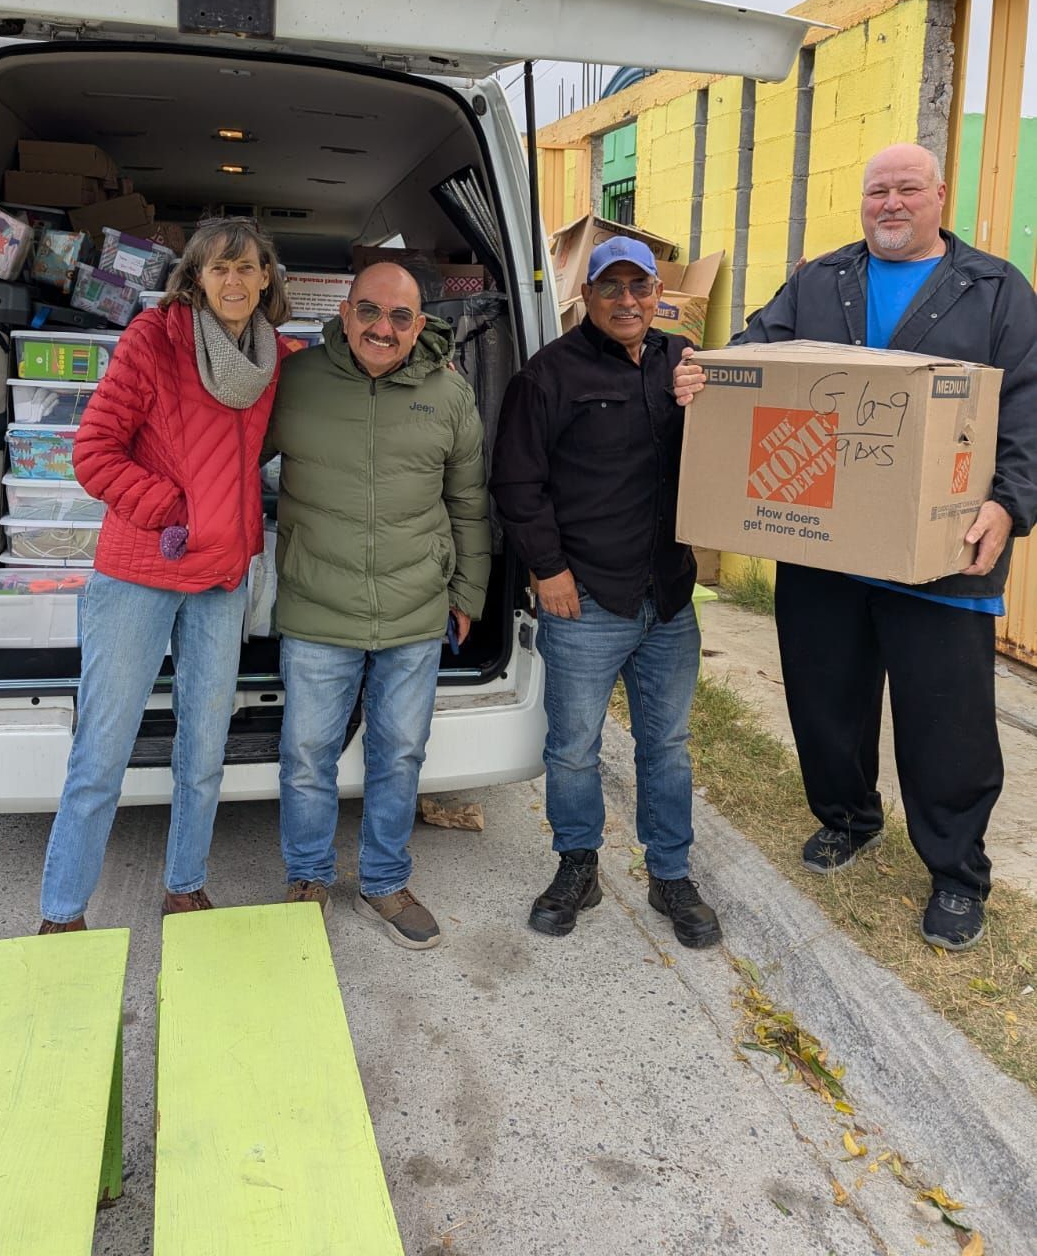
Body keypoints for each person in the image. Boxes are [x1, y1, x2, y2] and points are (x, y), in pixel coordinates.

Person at [673, 143, 1037, 950]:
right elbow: (754, 350)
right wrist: (704, 372)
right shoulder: (819, 280)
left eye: (908, 188)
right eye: (878, 190)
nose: (891, 203)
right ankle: (847, 817)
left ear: (941, 195)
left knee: (947, 721)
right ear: (863, 202)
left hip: (943, 554)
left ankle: (954, 871)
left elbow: (1027, 411)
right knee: (825, 697)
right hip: (826, 541)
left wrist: (1009, 506)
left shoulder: (995, 289)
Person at [38, 219, 294, 931]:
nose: (235, 282)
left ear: (267, 276)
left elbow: (343, 381)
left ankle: (186, 884)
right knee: (104, 749)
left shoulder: (273, 358)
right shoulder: (155, 340)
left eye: (247, 268)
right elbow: (92, 454)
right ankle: (62, 910)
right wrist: (173, 510)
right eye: (219, 270)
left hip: (219, 579)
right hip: (141, 571)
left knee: (205, 745)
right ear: (196, 279)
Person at [490, 236, 721, 948]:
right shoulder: (547, 376)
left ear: (660, 294)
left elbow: (732, 437)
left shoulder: (685, 362)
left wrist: (708, 399)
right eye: (611, 288)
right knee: (573, 748)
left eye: (641, 287)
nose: (628, 301)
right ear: (585, 296)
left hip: (669, 594)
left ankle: (671, 873)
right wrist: (548, 568)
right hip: (585, 596)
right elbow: (516, 484)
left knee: (667, 745)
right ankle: (578, 866)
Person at [266, 260, 490, 949]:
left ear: (420, 325)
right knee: (307, 753)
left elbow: (468, 503)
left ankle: (385, 881)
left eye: (400, 317)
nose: (382, 329)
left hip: (414, 610)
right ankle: (307, 877)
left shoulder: (450, 397)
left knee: (399, 754)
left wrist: (468, 592)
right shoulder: (296, 381)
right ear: (344, 313)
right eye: (368, 311)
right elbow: (228, 457)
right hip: (316, 606)